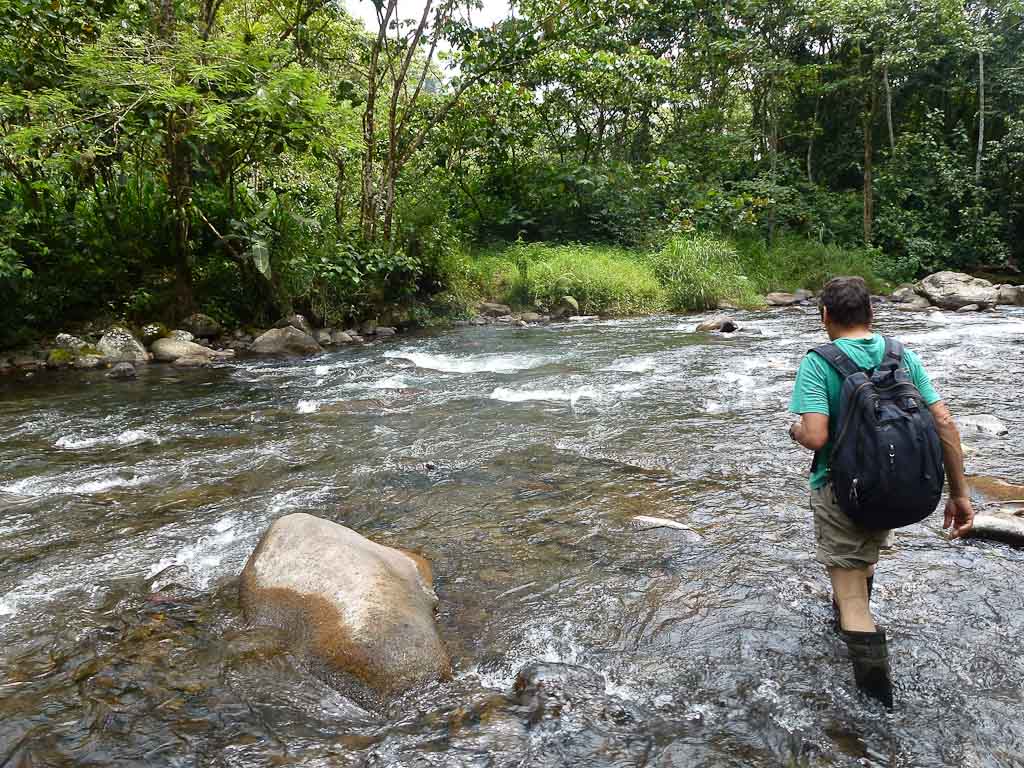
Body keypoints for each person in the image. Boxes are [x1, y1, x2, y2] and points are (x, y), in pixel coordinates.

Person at [787, 276, 974, 706]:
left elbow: (816, 436)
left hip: (842, 489)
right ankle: (850, 627)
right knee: (864, 559)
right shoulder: (900, 354)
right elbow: (944, 422)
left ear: (825, 316)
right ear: (871, 313)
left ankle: (875, 706)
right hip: (894, 483)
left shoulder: (819, 361)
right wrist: (960, 493)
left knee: (852, 599)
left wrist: (793, 430)